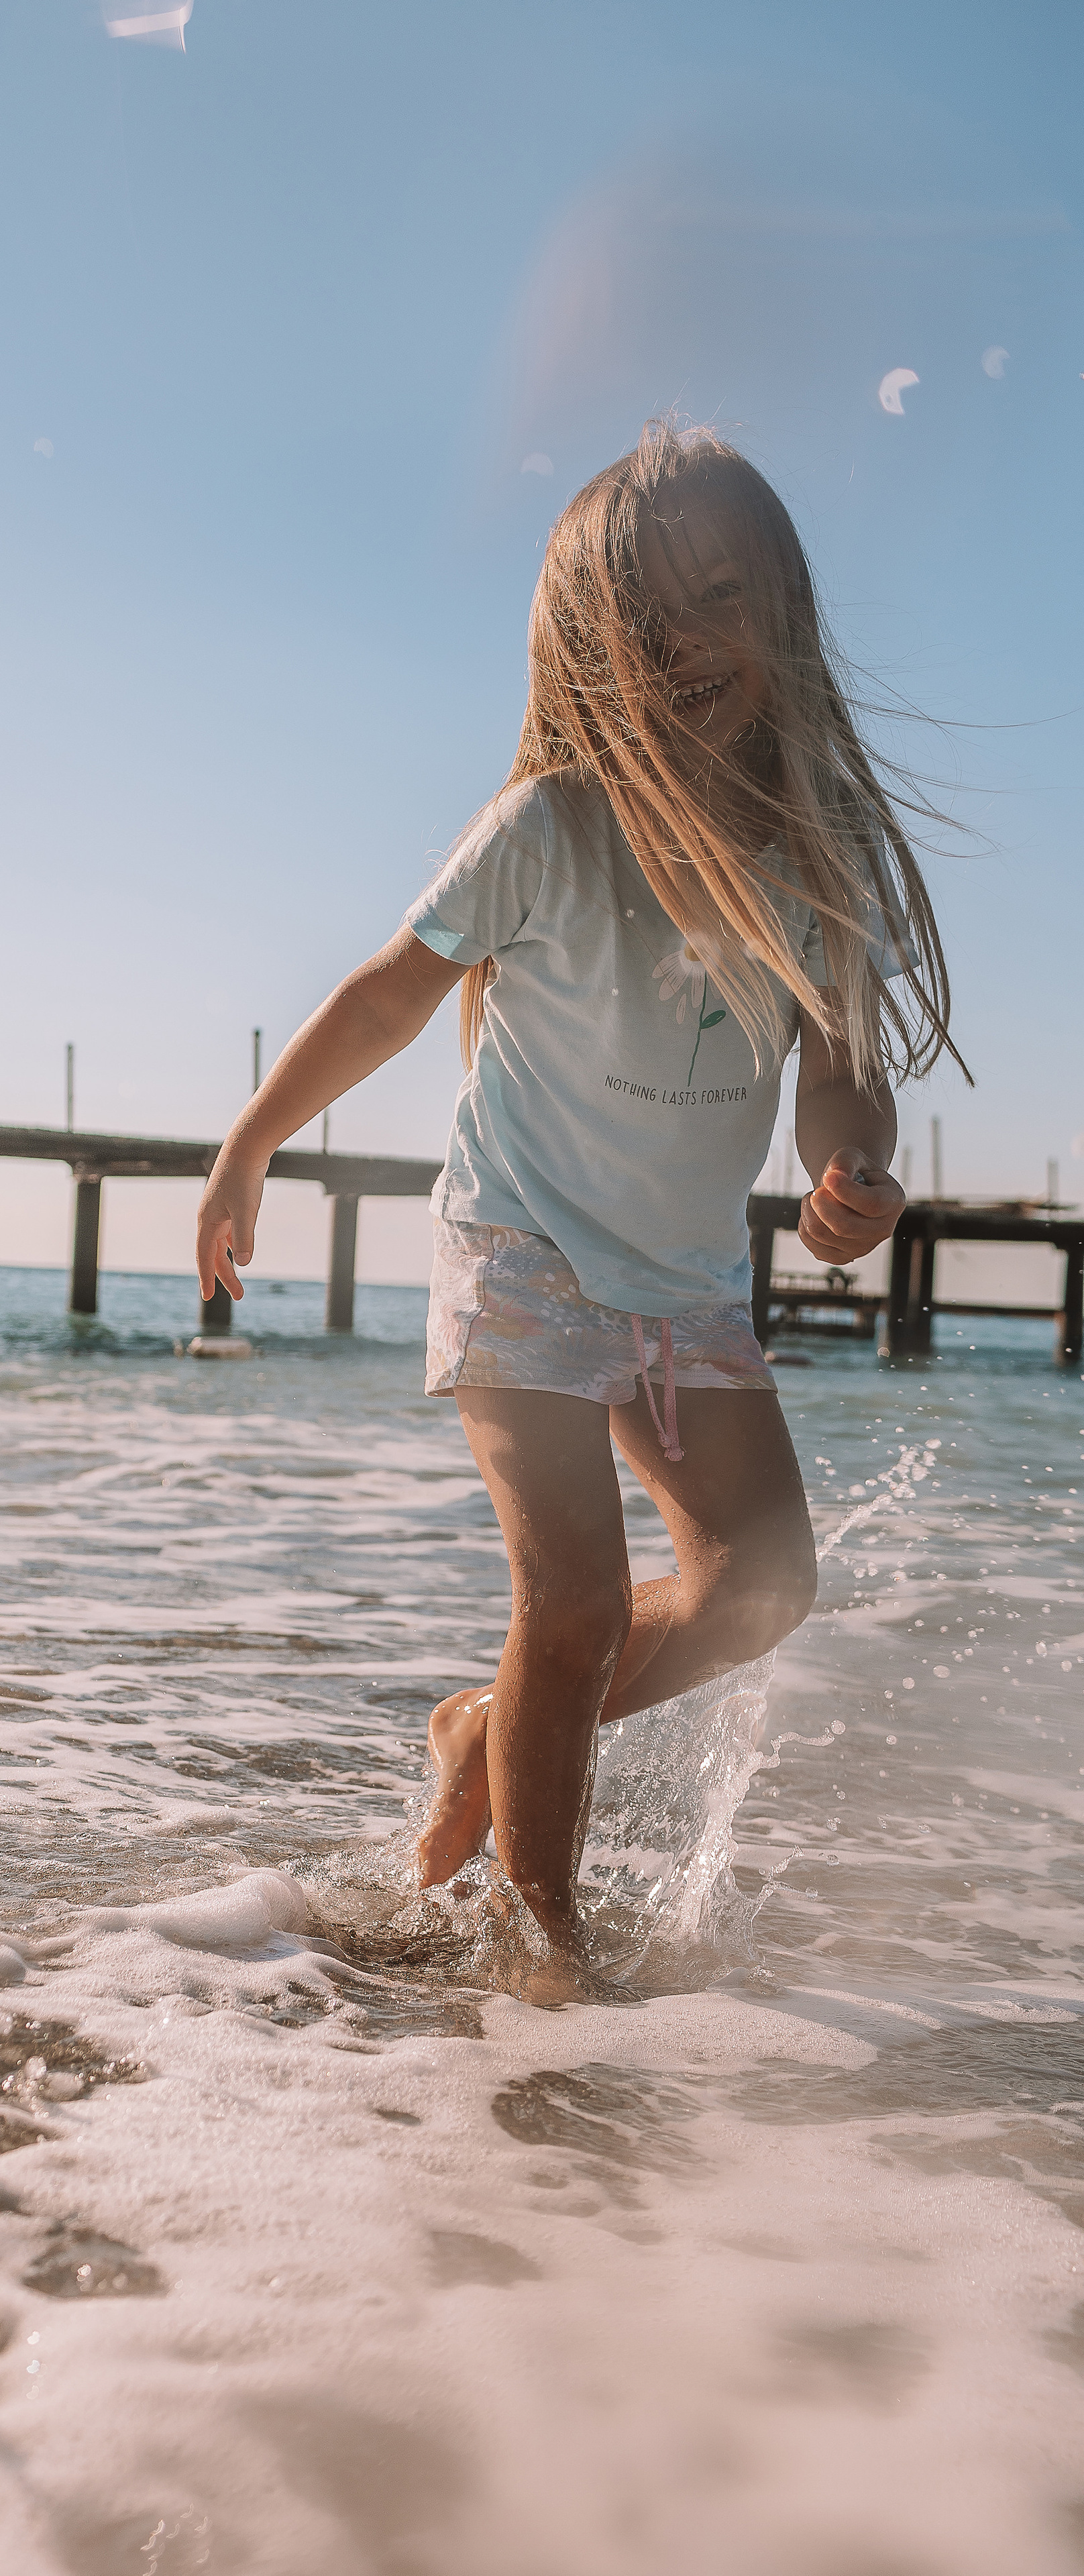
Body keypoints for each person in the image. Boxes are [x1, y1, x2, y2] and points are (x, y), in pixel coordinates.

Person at [195, 421, 965, 1986]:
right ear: (594, 648)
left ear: (784, 623)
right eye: (651, 615)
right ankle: (536, 1944)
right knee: (574, 1592)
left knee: (762, 1584)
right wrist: (251, 1141)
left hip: (676, 1286)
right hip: (524, 1249)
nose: (690, 641)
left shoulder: (811, 871)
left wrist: (850, 1163)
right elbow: (385, 997)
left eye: (726, 597)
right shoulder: (546, 825)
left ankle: (489, 1730)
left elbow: (838, 1068)